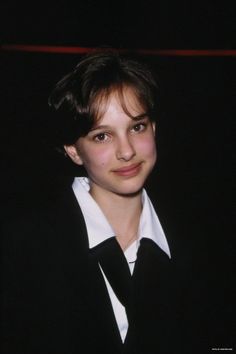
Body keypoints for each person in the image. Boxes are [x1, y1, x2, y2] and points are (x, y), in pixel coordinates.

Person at [1, 50, 213, 354]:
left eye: (136, 127)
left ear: (154, 128)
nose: (126, 151)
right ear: (74, 150)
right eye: (102, 136)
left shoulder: (200, 244)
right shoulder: (21, 249)